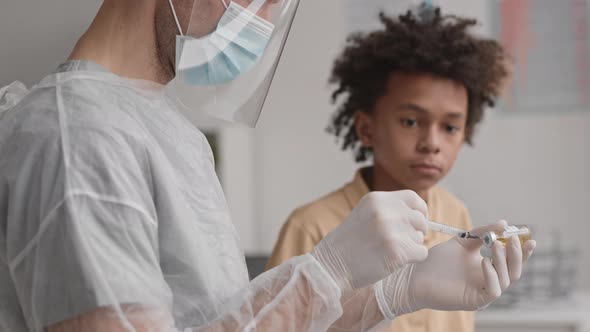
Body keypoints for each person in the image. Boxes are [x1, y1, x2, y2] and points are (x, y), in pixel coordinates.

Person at [0, 1, 534, 331]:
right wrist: (325, 272)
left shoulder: (169, 130)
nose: (263, 20)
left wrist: (397, 292)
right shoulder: (78, 140)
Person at [267, 6, 519, 332]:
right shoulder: (310, 226)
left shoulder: (457, 215)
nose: (432, 143)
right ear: (366, 128)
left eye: (450, 127)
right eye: (411, 121)